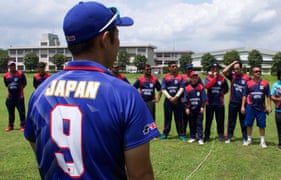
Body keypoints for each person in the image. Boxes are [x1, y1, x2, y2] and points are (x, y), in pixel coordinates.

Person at [24, 2, 159, 179]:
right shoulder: (125, 95)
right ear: (104, 39)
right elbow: (140, 175)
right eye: (116, 36)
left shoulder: (40, 92)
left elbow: (39, 149)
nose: (118, 44)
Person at [241, 66, 272, 148]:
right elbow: (244, 95)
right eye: (256, 71)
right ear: (252, 73)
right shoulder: (248, 83)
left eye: (259, 71)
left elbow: (268, 96)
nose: (258, 72)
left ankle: (262, 142)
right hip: (250, 107)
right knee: (248, 124)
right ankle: (249, 140)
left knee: (262, 125)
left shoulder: (265, 83)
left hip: (261, 108)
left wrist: (269, 106)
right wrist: (242, 106)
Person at [223, 60, 250, 144]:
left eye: (237, 68)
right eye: (234, 69)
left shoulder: (247, 78)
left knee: (243, 121)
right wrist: (232, 63)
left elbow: (249, 90)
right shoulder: (232, 76)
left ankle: (245, 138)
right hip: (233, 103)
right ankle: (229, 137)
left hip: (243, 104)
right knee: (231, 121)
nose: (235, 70)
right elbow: (224, 71)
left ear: (241, 69)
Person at [160, 61, 186, 141]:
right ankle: (165, 133)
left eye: (175, 66)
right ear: (169, 68)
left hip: (178, 101)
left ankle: (181, 134)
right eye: (173, 66)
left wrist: (176, 97)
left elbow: (182, 88)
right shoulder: (165, 77)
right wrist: (170, 98)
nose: (175, 68)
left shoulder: (180, 77)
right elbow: (163, 89)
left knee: (179, 118)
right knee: (167, 118)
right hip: (168, 101)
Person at [204, 63, 229, 142]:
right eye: (213, 68)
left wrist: (220, 94)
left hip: (219, 103)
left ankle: (221, 135)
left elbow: (226, 89)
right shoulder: (207, 78)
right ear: (211, 69)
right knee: (208, 120)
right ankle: (207, 136)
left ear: (218, 69)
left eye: (216, 68)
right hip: (209, 103)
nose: (215, 70)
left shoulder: (222, 79)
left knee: (220, 120)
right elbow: (207, 86)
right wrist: (214, 78)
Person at [184, 71, 207, 145]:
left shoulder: (201, 87)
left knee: (199, 124)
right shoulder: (187, 88)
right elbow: (185, 99)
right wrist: (187, 108)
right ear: (190, 78)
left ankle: (200, 138)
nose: (194, 79)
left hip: (198, 109)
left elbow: (203, 98)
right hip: (191, 109)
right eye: (193, 78)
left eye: (196, 78)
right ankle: (193, 137)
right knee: (192, 123)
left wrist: (202, 107)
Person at [4, 60, 27, 132]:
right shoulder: (6, 75)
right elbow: (6, 84)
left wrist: (19, 89)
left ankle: (23, 126)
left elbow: (24, 83)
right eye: (11, 65)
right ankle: (10, 126)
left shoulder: (20, 74)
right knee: (11, 113)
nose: (12, 66)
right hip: (10, 97)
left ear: (15, 66)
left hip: (19, 96)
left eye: (13, 65)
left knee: (22, 112)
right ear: (8, 66)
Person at [181, 63, 203, 135]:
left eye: (191, 69)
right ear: (186, 69)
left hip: (195, 100)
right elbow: (180, 88)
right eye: (188, 69)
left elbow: (201, 87)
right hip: (186, 100)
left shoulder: (196, 77)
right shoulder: (183, 77)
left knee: (195, 117)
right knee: (185, 117)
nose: (190, 70)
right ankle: (183, 132)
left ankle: (196, 133)